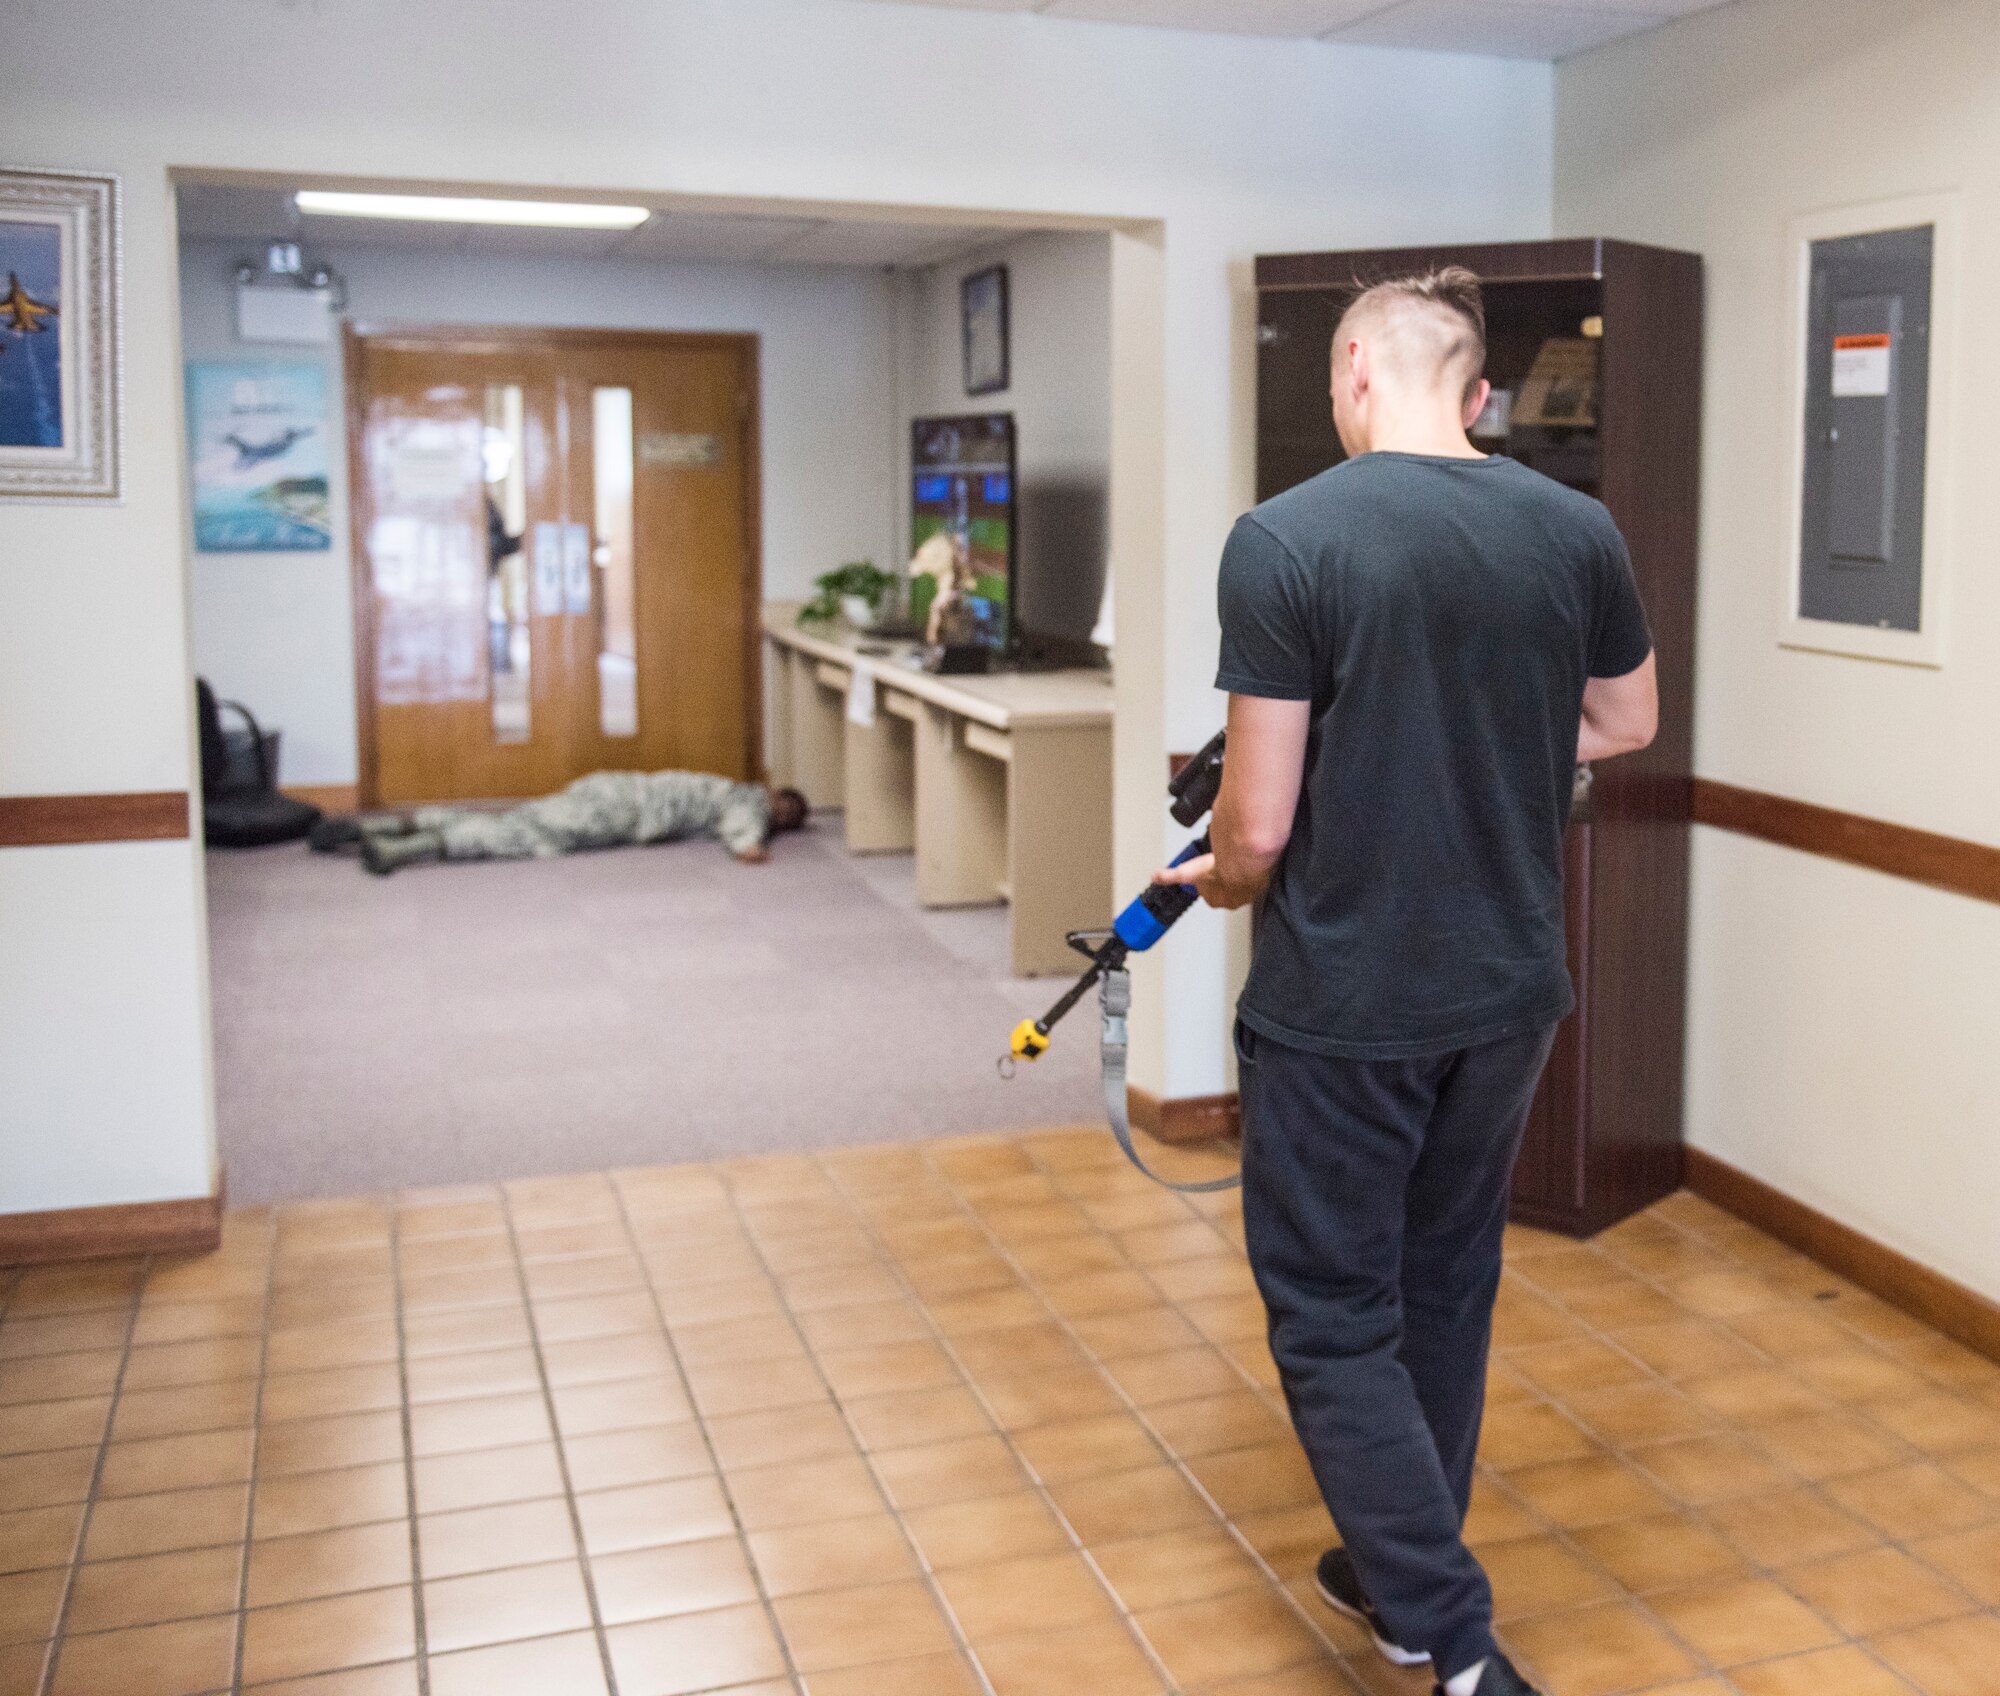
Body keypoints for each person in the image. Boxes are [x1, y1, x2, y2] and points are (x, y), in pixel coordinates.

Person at [1155, 269, 1657, 1696]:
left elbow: (1251, 826)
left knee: (1329, 1310)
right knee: (1444, 1287)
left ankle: (1455, 1637)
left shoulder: (1288, 538)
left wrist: (1228, 882)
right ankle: (1392, 1573)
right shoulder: (1577, 528)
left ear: (1358, 373)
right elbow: (1626, 718)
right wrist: (1491, 737)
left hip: (1344, 1005)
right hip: (1510, 991)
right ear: (1480, 391)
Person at [311, 770, 809, 874]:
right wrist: (750, 847)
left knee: (519, 819)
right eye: (782, 810)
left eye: (784, 819)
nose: (777, 817)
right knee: (521, 837)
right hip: (618, 812)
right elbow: (743, 826)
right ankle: (407, 849)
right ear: (773, 798)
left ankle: (391, 828)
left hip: (610, 791)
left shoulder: (731, 787)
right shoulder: (749, 803)